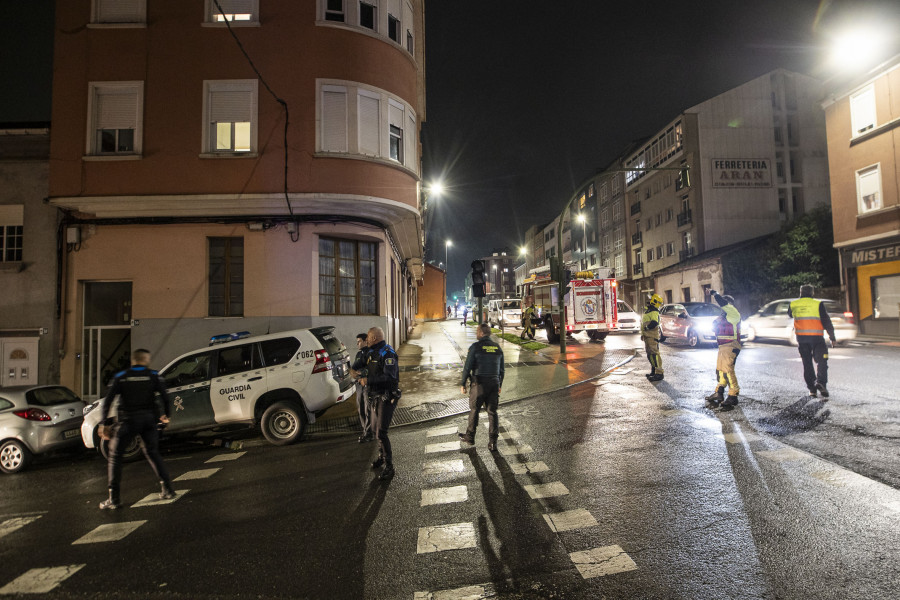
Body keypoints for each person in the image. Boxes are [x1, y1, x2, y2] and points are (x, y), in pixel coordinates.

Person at [98, 348, 176, 509]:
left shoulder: (121, 377)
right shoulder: (154, 375)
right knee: (152, 452)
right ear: (146, 360)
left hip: (128, 420)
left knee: (115, 456)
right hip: (149, 420)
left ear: (133, 361)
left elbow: (108, 401)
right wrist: (166, 416)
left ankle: (114, 498)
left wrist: (104, 424)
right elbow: (165, 397)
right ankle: (167, 489)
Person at [360, 327, 400, 480]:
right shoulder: (373, 352)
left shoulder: (387, 353)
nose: (367, 340)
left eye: (368, 338)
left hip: (386, 397)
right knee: (377, 430)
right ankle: (382, 457)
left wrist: (368, 380)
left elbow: (389, 378)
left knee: (382, 432)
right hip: (375, 397)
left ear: (375, 338)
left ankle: (389, 466)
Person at [458, 323, 505, 451]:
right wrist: (499, 384)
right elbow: (502, 370)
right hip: (494, 383)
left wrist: (463, 383)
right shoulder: (497, 348)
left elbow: (467, 367)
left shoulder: (475, 347)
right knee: (492, 412)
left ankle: (470, 437)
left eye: (477, 332)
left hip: (479, 384)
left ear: (481, 333)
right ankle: (493, 442)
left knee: (474, 410)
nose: (476, 334)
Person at [788, 284, 837, 398]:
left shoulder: (793, 304)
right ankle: (821, 382)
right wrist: (832, 337)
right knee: (822, 361)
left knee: (807, 363)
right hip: (817, 338)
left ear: (800, 293)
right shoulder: (818, 304)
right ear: (812, 293)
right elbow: (826, 321)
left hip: (802, 338)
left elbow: (790, 314)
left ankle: (812, 389)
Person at [706, 291, 742, 410]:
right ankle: (719, 392)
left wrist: (714, 293)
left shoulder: (733, 313)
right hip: (722, 346)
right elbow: (713, 327)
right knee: (721, 370)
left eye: (724, 305)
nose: (722, 307)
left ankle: (733, 395)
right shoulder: (723, 316)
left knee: (728, 371)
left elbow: (723, 303)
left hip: (731, 345)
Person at [350, 333, 372, 443]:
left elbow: (371, 369)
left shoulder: (370, 353)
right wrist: (353, 373)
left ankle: (369, 432)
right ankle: (365, 430)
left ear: (365, 341)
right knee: (360, 407)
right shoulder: (359, 354)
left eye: (359, 341)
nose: (357, 343)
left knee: (368, 408)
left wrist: (362, 373)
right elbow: (354, 367)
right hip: (359, 384)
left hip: (367, 384)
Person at [641, 294, 664, 382]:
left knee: (654, 354)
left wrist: (646, 328)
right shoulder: (650, 310)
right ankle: (654, 371)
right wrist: (643, 333)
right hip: (647, 336)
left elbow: (654, 323)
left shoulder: (654, 311)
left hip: (652, 336)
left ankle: (659, 373)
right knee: (650, 354)